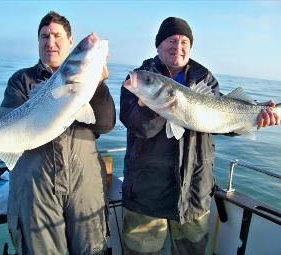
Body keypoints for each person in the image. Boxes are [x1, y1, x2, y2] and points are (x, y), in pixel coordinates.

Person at [0, 11, 116, 255]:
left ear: (70, 42)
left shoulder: (90, 81)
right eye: (44, 36)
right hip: (35, 189)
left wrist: (99, 86)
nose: (50, 42)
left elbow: (105, 124)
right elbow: (6, 125)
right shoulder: (22, 80)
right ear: (38, 42)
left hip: (84, 185)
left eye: (57, 36)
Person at [119, 17, 280, 255]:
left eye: (184, 41)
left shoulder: (204, 78)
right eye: (171, 40)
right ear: (158, 45)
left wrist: (257, 115)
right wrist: (147, 106)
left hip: (194, 194)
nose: (179, 46)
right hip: (146, 195)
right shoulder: (141, 77)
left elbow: (221, 120)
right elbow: (139, 127)